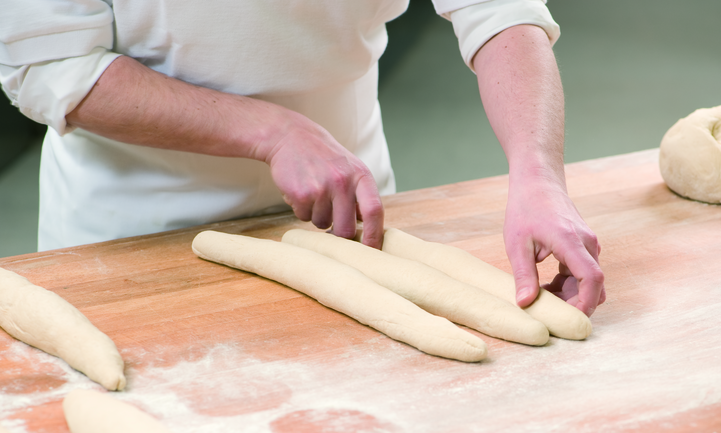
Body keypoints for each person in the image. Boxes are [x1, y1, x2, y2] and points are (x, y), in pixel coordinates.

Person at [0, 0, 605, 316]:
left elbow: (500, 12)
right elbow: (52, 67)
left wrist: (538, 174)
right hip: (135, 233)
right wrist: (271, 132)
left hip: (347, 218)